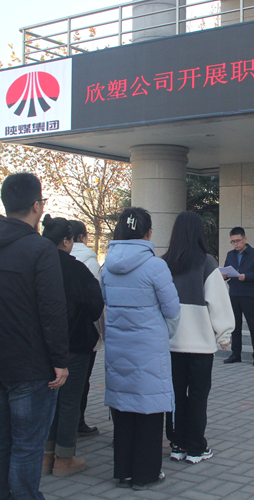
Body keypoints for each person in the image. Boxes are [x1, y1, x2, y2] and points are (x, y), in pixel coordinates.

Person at [0, 173, 69, 500]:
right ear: (37, 206)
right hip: (29, 366)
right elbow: (52, 309)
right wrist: (60, 360)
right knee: (27, 445)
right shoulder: (40, 249)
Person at [101, 207, 180, 490]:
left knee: (123, 409)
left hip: (117, 348)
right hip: (149, 351)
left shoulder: (107, 266)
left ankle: (123, 472)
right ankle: (145, 474)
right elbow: (172, 310)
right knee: (149, 410)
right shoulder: (155, 266)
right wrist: (161, 334)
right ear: (148, 233)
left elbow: (106, 303)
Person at [162, 211, 234, 464]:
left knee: (175, 396)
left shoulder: (164, 264)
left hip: (171, 344)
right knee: (198, 397)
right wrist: (224, 335)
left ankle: (177, 444)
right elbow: (218, 302)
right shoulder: (207, 263)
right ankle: (196, 448)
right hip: (200, 346)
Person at [40, 215, 104, 477]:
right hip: (74, 344)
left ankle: (46, 455)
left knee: (48, 400)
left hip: (41, 344)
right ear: (67, 241)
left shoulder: (35, 264)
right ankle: (64, 458)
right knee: (69, 401)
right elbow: (95, 305)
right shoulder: (76, 269)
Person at [68, 219, 103, 438]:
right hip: (82, 333)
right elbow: (97, 300)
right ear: (82, 237)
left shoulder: (48, 257)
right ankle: (77, 423)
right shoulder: (89, 261)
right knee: (80, 382)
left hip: (53, 333)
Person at [222, 227, 254, 366]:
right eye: (233, 242)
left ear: (245, 239)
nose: (235, 244)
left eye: (238, 241)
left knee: (253, 325)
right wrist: (223, 276)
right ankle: (235, 354)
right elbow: (226, 270)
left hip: (248, 294)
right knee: (235, 326)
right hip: (234, 293)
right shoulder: (230, 255)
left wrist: (247, 276)